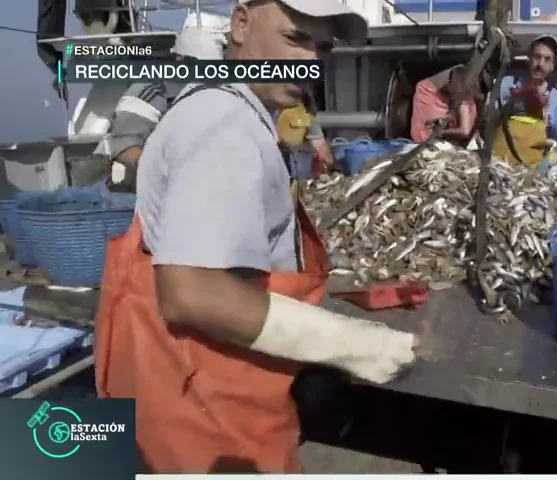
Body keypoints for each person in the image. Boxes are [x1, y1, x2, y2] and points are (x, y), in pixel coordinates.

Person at [94, 0, 417, 473]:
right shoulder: (223, 121)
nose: (309, 59)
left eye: (320, 45)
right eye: (294, 37)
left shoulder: (235, 108)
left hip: (195, 395)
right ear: (241, 24)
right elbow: (191, 292)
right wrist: (356, 343)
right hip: (209, 417)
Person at [95, 28, 226, 191]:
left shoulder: (221, 97)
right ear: (180, 60)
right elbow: (124, 149)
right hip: (136, 196)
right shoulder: (150, 91)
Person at [492, 34, 557, 168]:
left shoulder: (556, 101)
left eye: (547, 59)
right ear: (528, 59)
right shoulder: (505, 85)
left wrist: (548, 158)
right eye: (537, 57)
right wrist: (511, 105)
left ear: (553, 66)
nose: (540, 64)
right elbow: (487, 121)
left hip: (531, 173)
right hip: (498, 166)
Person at [409, 65, 478, 144]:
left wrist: (442, 132)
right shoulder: (471, 101)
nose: (448, 83)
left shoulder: (463, 105)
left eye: (451, 81)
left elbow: (465, 131)